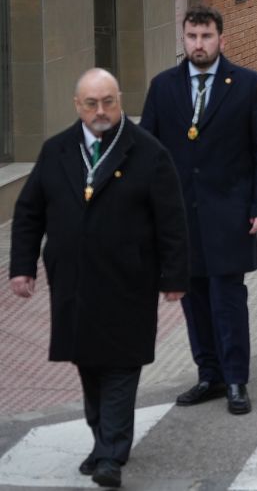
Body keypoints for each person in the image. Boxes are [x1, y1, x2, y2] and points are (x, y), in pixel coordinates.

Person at [10, 69, 188, 488]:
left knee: (121, 365)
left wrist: (175, 275)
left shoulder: (148, 152)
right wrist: (22, 267)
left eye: (108, 101)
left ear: (120, 100)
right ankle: (102, 442)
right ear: (77, 105)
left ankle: (111, 453)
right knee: (88, 363)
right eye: (91, 103)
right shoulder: (56, 151)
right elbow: (29, 212)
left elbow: (172, 221)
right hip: (73, 282)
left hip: (129, 279)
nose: (101, 111)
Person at [140, 5, 257, 417]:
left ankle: (236, 378)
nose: (198, 44)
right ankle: (209, 374)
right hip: (179, 218)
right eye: (192, 37)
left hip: (231, 213)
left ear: (222, 39)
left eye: (206, 36)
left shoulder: (249, 85)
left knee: (227, 298)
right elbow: (149, 151)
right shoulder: (163, 87)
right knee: (193, 299)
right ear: (183, 39)